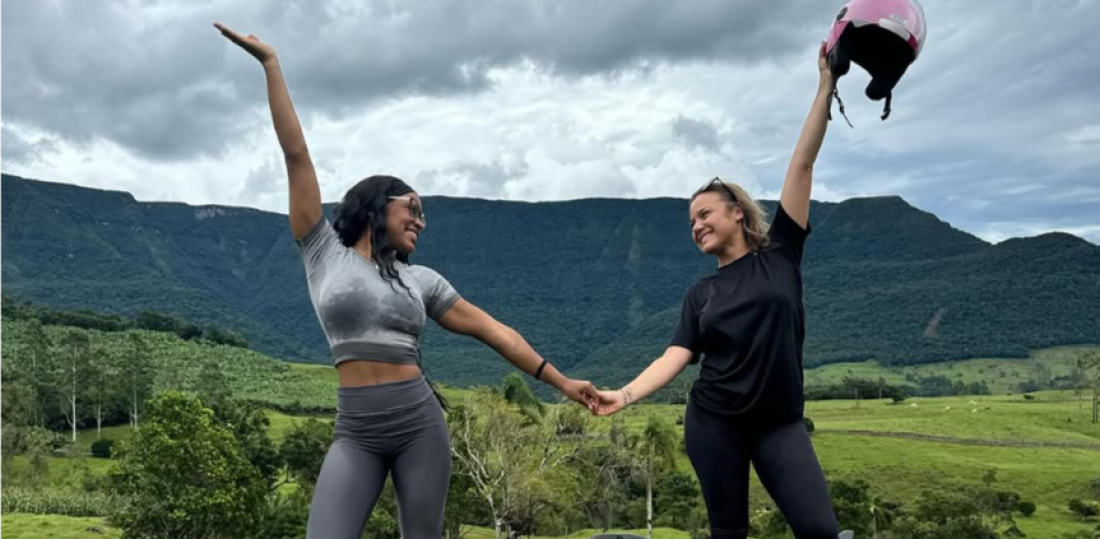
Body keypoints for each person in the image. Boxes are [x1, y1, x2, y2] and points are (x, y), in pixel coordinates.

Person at [213, 23, 598, 539]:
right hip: (356, 431)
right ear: (378, 205)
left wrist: (562, 382)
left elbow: (496, 332)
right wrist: (271, 65)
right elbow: (297, 156)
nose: (420, 220)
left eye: (424, 214)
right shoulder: (323, 251)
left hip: (419, 423)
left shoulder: (423, 282)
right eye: (411, 208)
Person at [591, 43, 841, 539]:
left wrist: (825, 86)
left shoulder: (782, 255)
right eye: (691, 222)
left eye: (704, 214)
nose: (696, 226)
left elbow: (802, 167)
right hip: (714, 423)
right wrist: (623, 395)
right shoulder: (700, 294)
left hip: (780, 424)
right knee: (730, 534)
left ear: (737, 213)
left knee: (820, 531)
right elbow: (674, 357)